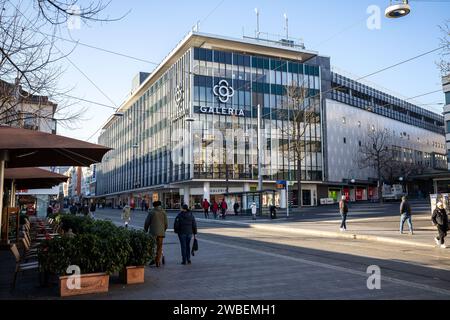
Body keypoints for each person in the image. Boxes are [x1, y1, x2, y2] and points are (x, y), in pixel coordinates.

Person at [144, 201, 168, 267]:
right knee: (159, 247)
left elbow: (147, 222)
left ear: (154, 206)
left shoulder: (151, 212)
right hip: (161, 233)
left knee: (152, 246)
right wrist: (163, 230)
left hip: (153, 232)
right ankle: (157, 261)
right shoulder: (163, 212)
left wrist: (145, 230)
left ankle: (152, 259)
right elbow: (166, 223)